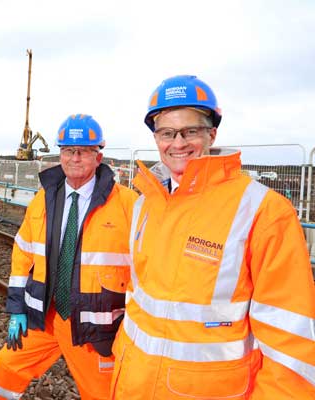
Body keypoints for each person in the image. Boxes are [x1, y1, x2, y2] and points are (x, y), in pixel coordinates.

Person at [110, 75, 315, 399]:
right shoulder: (144, 204)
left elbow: (291, 346)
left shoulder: (264, 212)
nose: (178, 143)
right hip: (132, 387)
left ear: (212, 134)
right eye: (167, 133)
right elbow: (138, 302)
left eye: (190, 131)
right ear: (156, 137)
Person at [0, 114, 138, 399]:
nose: (75, 158)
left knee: (102, 392)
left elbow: (143, 269)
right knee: (7, 365)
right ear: (60, 154)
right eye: (68, 151)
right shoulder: (43, 199)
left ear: (98, 156)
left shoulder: (127, 204)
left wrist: (131, 324)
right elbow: (23, 254)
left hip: (94, 324)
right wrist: (18, 308)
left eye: (83, 151)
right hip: (46, 315)